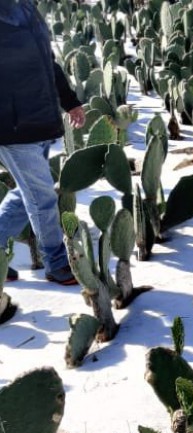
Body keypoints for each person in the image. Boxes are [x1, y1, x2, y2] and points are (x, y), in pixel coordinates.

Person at [0, 0, 85, 285]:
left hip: (41, 120)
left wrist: (70, 102)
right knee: (42, 199)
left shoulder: (27, 9)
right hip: (13, 127)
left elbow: (47, 62)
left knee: (28, 196)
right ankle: (58, 263)